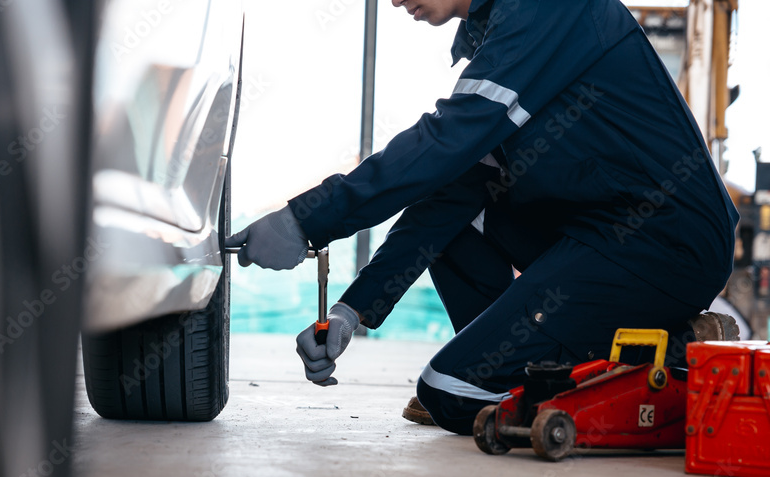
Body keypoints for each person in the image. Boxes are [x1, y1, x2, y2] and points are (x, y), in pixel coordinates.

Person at [226, 0, 740, 435]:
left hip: (663, 241)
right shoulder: (493, 33)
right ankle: (527, 363)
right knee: (454, 227)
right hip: (593, 231)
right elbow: (447, 195)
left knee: (450, 390)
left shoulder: (546, 8)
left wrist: (305, 220)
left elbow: (443, 142)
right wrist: (350, 311)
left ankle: (673, 357)